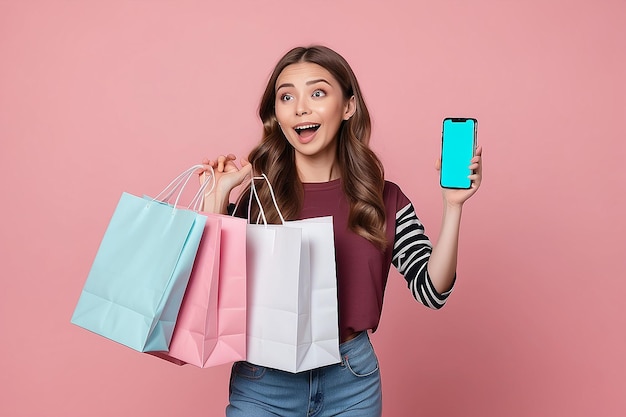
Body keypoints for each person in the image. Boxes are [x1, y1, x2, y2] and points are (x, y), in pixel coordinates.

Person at [199, 45, 482, 417]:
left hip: (350, 381)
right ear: (277, 115)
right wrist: (218, 197)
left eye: (317, 93)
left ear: (348, 106)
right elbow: (208, 294)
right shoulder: (258, 198)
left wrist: (453, 206)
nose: (301, 107)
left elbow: (432, 292)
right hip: (265, 380)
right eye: (287, 97)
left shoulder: (382, 198)